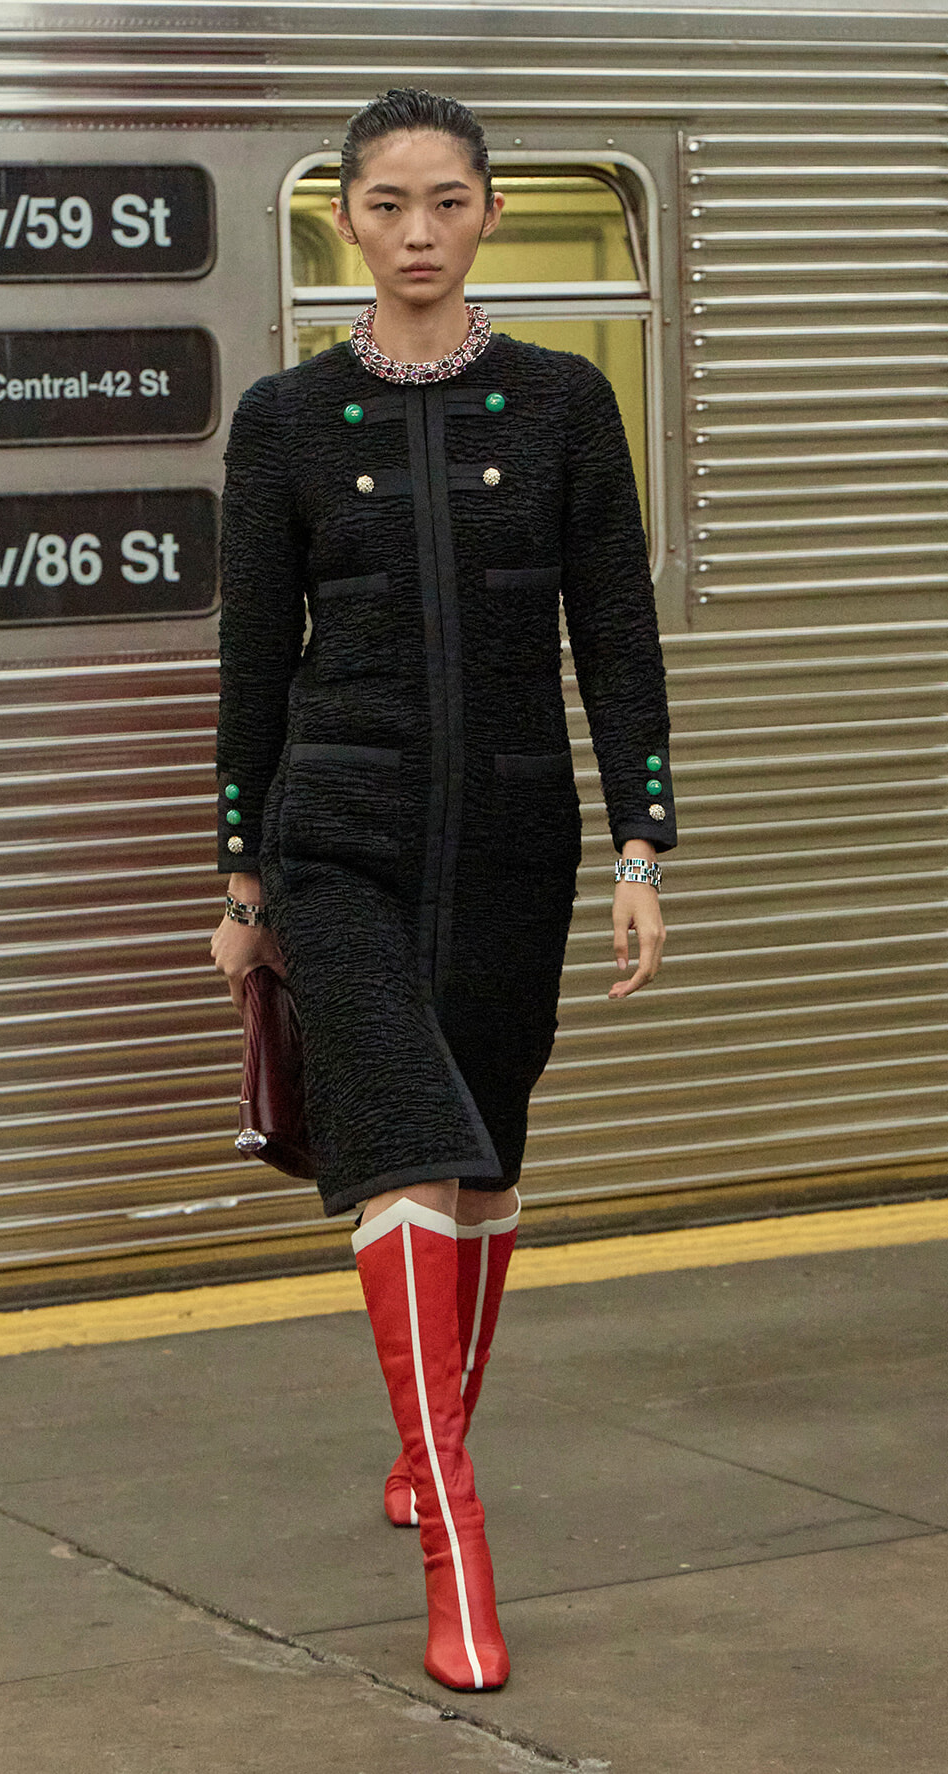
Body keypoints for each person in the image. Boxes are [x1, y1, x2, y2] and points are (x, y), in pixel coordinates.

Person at [210, 87, 675, 1694]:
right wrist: (241, 872)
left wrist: (640, 847)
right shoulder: (280, 419)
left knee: (482, 1158)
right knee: (404, 1145)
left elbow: (615, 634)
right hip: (335, 830)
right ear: (345, 217)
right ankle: (456, 1523)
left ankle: (428, 1445)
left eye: (449, 200)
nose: (418, 231)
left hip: (513, 841)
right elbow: (250, 661)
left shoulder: (559, 406)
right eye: (388, 202)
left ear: (485, 212)